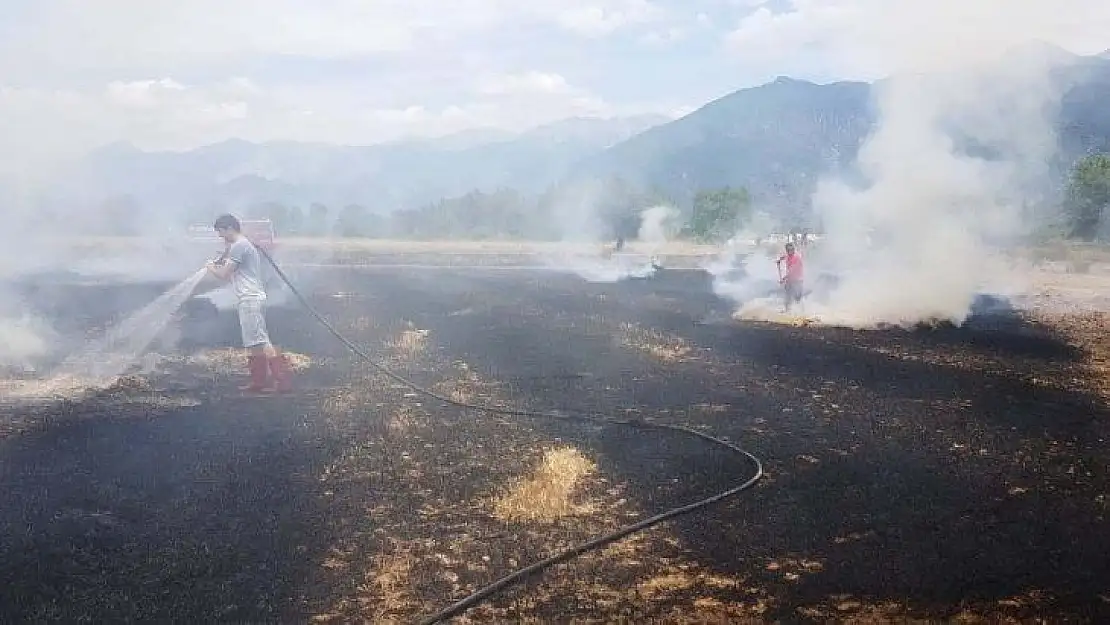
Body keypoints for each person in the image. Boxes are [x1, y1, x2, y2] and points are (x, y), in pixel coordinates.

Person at [205, 214, 293, 393]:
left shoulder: (240, 246)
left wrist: (210, 267)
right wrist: (222, 256)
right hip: (248, 299)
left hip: (250, 299)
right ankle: (258, 382)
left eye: (221, 232)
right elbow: (229, 260)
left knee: (261, 340)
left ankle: (281, 381)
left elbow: (223, 274)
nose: (221, 236)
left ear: (229, 228)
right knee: (253, 342)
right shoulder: (240, 246)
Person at [776, 241, 804, 313]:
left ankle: (801, 311)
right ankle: (787, 310)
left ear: (793, 249)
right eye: (788, 250)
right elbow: (784, 256)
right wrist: (779, 260)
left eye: (791, 250)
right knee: (787, 296)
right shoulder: (788, 255)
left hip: (797, 280)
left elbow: (792, 271)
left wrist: (783, 279)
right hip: (790, 280)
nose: (790, 251)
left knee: (797, 297)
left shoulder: (796, 258)